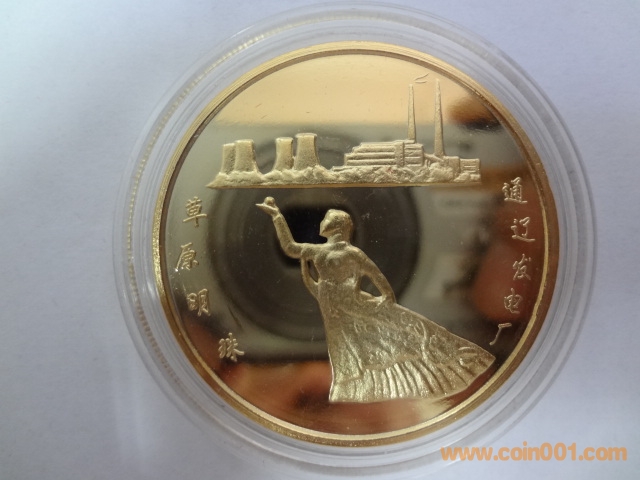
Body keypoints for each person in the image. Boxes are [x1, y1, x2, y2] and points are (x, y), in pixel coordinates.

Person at [257, 197, 494, 403]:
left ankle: (445, 361)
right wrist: (277, 216)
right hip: (331, 306)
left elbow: (375, 275)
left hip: (349, 304)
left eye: (327, 219)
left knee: (382, 339)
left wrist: (387, 296)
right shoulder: (318, 251)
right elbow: (290, 248)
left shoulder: (352, 253)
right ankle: (354, 389)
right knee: (347, 347)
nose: (321, 222)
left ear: (337, 227)